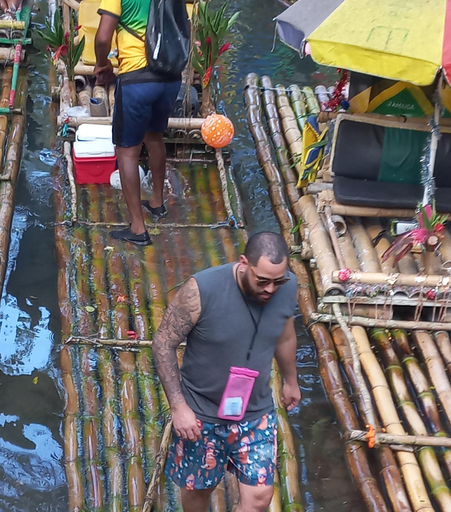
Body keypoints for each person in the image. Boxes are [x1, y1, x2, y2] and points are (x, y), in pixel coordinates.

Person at [152, 232, 301, 512]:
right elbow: (163, 342)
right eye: (263, 281)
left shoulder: (288, 287)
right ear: (244, 263)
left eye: (278, 281)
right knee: (199, 491)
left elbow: (285, 334)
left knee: (259, 498)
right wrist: (178, 406)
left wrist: (291, 381)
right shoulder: (202, 289)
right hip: (202, 415)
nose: (271, 289)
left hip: (256, 411)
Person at [94, 0, 182, 246]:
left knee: (127, 152)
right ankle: (156, 202)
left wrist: (103, 64)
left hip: (137, 79)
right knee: (154, 137)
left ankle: (137, 227)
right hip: (170, 76)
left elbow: (103, 38)